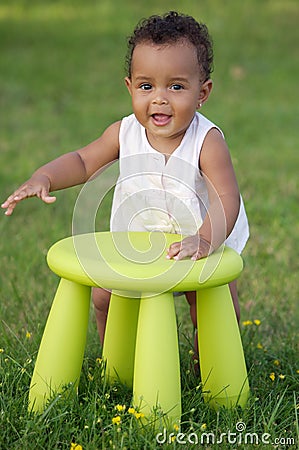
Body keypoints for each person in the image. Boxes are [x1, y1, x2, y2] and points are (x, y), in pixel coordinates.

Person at [2, 11, 249, 356]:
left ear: (202, 92)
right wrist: (44, 176)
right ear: (130, 87)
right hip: (138, 240)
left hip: (199, 239)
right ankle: (117, 359)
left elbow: (226, 196)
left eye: (176, 86)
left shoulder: (206, 141)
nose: (159, 98)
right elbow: (84, 161)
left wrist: (206, 239)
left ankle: (208, 365)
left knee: (212, 303)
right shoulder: (125, 132)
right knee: (104, 295)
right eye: (147, 86)